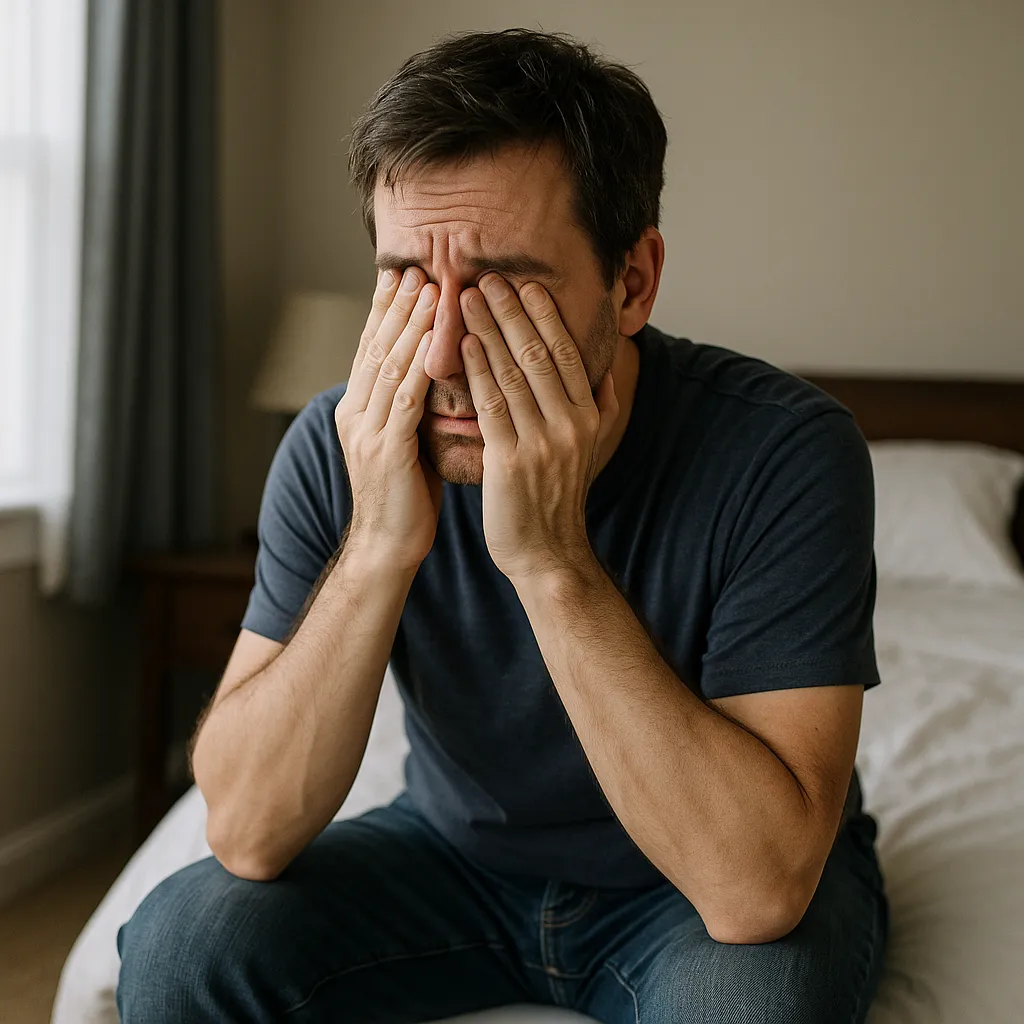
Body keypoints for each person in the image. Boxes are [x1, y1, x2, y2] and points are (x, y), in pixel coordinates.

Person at [117, 28, 887, 1024]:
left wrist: (553, 564)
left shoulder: (784, 451)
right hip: (451, 860)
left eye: (500, 285)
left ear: (633, 282)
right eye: (404, 279)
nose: (438, 349)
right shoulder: (338, 441)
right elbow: (250, 832)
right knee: (185, 937)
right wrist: (380, 546)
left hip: (693, 887)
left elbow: (756, 888)